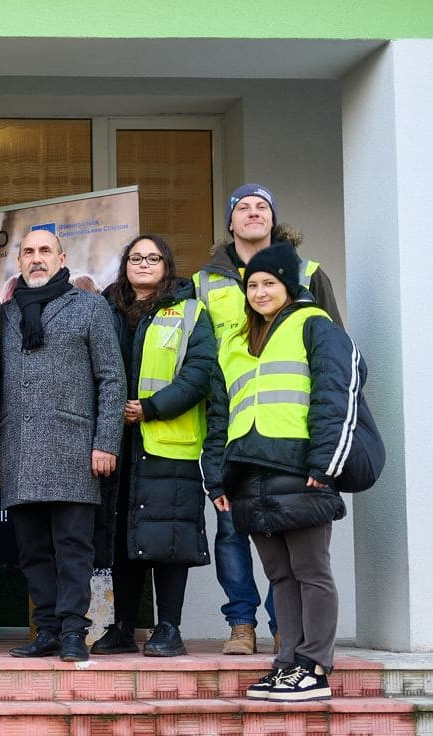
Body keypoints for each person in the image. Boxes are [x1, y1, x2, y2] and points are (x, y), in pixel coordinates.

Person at [212, 242, 380, 702]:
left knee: (311, 570)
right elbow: (221, 413)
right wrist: (217, 478)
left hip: (300, 470)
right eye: (253, 285)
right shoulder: (235, 342)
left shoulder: (315, 326)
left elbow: (335, 393)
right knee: (280, 577)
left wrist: (324, 464)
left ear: (289, 285)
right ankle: (288, 663)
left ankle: (315, 664)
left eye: (269, 283)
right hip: (249, 476)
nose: (260, 291)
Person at [195, 183, 344, 655]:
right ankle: (243, 624)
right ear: (229, 222)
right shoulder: (205, 282)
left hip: (293, 442)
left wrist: (327, 454)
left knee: (302, 558)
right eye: (243, 207)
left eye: (262, 206)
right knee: (236, 535)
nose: (253, 213)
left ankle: (295, 642)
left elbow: (336, 365)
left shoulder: (310, 277)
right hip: (236, 434)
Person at [0, 229, 124, 663]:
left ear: (62, 258)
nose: (37, 259)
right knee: (31, 551)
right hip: (19, 448)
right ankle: (45, 629)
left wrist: (105, 442)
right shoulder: (6, 315)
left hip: (74, 447)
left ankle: (71, 631)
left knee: (72, 547)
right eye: (28, 252)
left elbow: (112, 379)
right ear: (19, 261)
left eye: (45, 251)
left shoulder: (90, 307)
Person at [93, 235, 222, 658]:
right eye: (135, 257)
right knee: (123, 542)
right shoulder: (106, 308)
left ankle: (169, 629)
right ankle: (123, 626)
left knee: (169, 542)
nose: (144, 264)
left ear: (167, 265)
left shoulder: (190, 311)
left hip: (168, 443)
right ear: (125, 264)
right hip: (118, 444)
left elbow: (199, 373)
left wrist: (151, 407)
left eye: (153, 258)